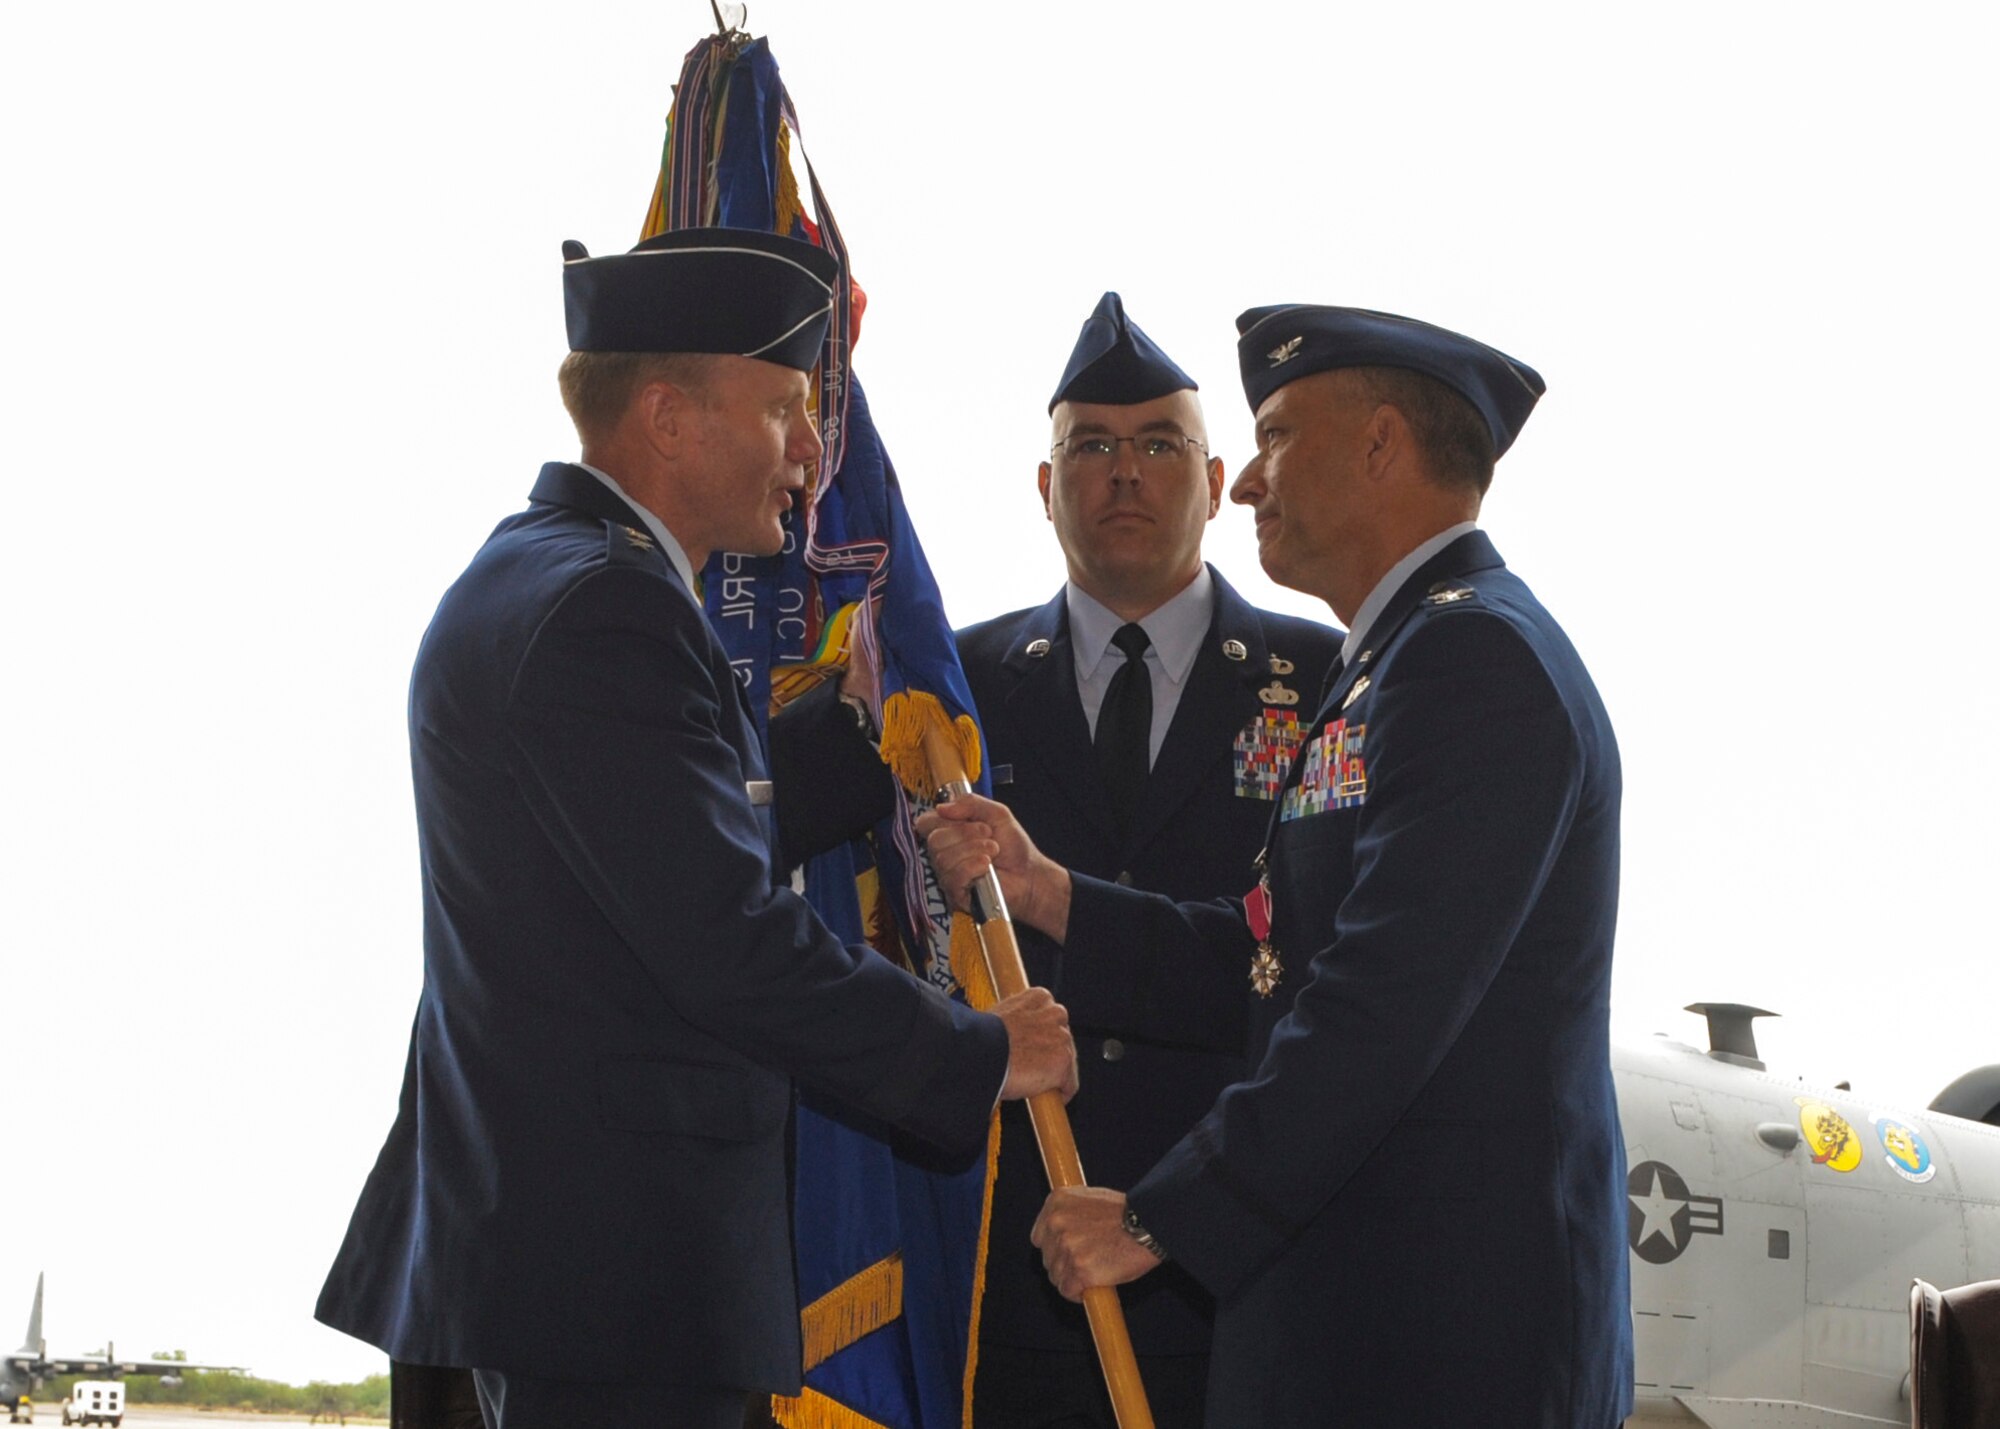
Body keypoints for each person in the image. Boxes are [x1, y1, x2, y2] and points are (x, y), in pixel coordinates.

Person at [315, 227, 1079, 1429]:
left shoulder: (543, 574)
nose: (814, 452)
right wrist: (977, 1051)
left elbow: (642, 857)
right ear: (668, 418)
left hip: (570, 1264)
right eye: (783, 407)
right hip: (619, 1278)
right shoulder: (606, 606)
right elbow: (718, 937)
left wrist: (852, 744)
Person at [925, 305, 1634, 1427]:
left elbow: (1378, 1003)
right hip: (1351, 1321)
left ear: (1380, 446)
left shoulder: (1468, 657)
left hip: (1433, 1334)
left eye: (1277, 436)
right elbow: (1272, 958)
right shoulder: (1396, 661)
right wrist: (1049, 892)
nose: (1249, 482)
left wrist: (1161, 1217)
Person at [955, 293, 1339, 1429]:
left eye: (1160, 445)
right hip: (1010, 1278)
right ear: (1045, 486)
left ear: (1217, 483)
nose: (1124, 474)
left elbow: (1314, 968)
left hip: (1233, 1272)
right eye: (1092, 448)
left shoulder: (1327, 684)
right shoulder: (949, 691)